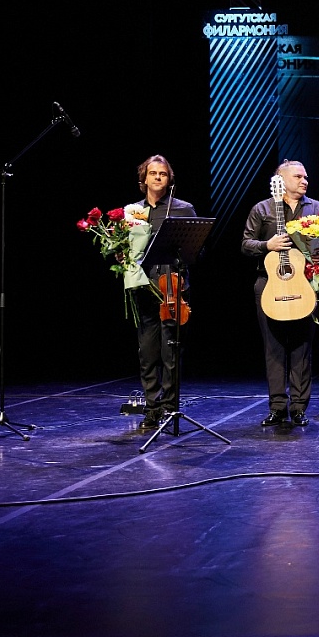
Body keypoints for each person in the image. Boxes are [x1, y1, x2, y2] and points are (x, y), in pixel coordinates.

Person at [241, 160, 319, 427]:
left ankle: (298, 408)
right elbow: (246, 244)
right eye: (298, 176)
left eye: (305, 176)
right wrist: (267, 244)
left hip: (304, 284)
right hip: (270, 283)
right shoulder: (262, 209)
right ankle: (277, 407)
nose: (304, 180)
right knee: (273, 348)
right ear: (280, 180)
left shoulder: (317, 208)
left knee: (302, 347)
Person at [129, 154, 198, 430]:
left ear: (169, 179)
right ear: (144, 178)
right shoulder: (133, 211)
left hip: (173, 288)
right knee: (147, 353)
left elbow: (197, 249)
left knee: (171, 353)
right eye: (153, 173)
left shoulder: (183, 209)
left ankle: (170, 408)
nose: (158, 177)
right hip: (144, 288)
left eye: (163, 174)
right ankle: (152, 408)